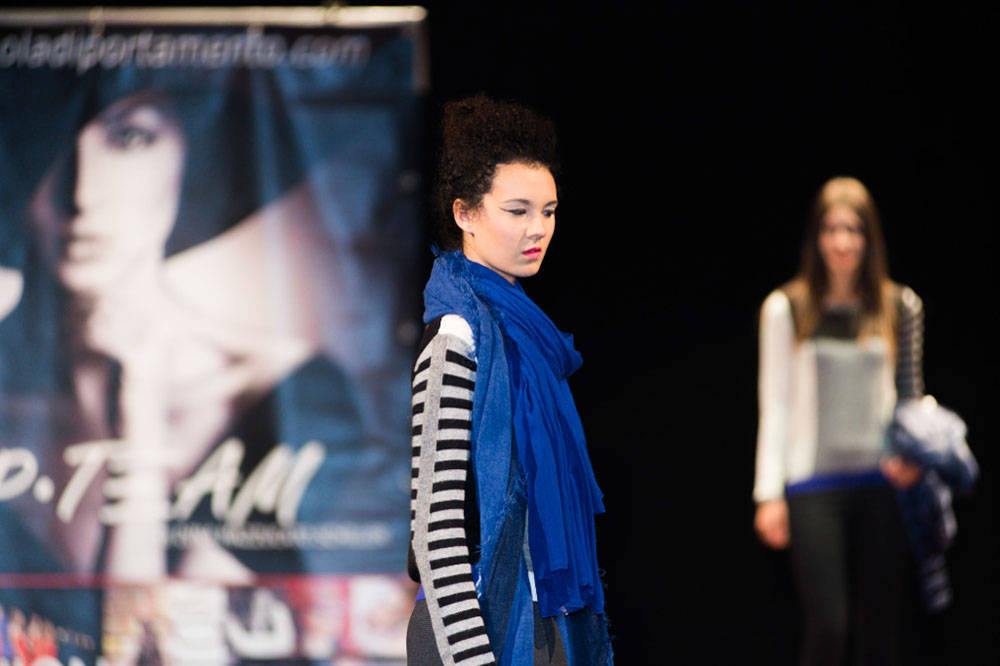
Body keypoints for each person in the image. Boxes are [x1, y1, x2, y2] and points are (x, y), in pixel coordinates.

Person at [405, 95, 613, 666]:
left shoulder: (532, 341)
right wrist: (473, 657)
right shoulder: (456, 335)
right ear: (465, 214)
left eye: (548, 211)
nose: (538, 229)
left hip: (545, 619)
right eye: (517, 211)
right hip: (473, 629)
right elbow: (436, 530)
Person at [752, 176, 924, 666]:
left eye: (853, 229)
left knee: (880, 629)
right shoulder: (787, 308)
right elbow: (775, 403)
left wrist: (913, 455)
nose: (842, 241)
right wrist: (768, 494)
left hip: (881, 481)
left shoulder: (899, 306)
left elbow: (910, 395)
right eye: (831, 229)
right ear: (817, 237)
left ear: (870, 238)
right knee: (829, 624)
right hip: (813, 484)